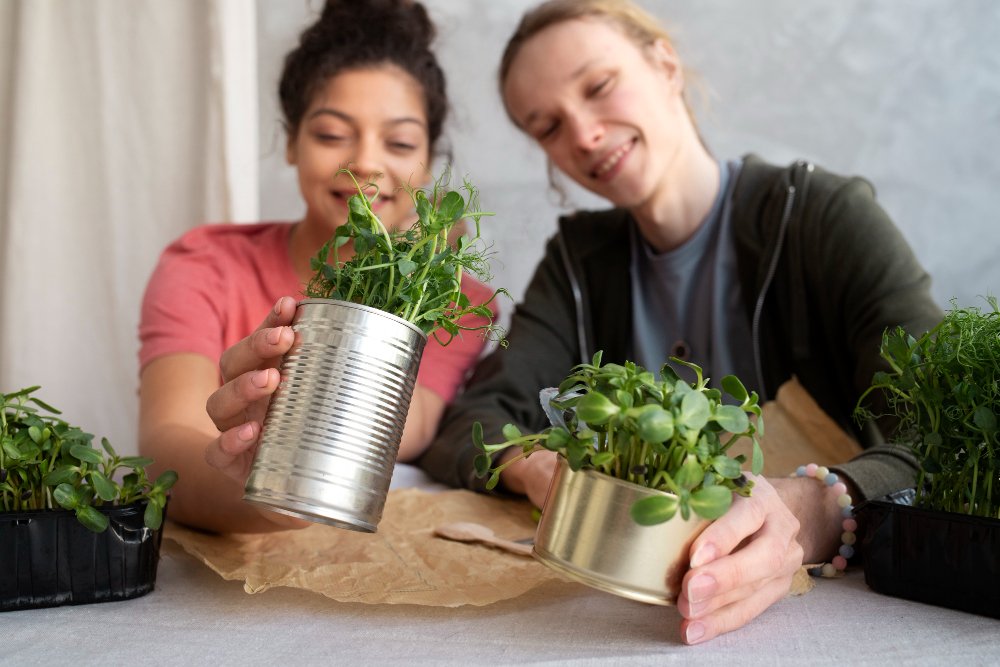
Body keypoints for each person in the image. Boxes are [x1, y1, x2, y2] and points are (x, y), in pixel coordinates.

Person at [417, 0, 942, 645]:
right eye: (548, 126)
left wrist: (813, 507)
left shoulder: (822, 219)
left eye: (599, 86)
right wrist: (534, 464)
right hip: (630, 624)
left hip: (840, 625)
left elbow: (940, 437)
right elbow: (476, 416)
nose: (581, 135)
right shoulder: (580, 262)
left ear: (664, 64)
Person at [138, 0, 496, 534]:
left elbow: (411, 423)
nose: (367, 162)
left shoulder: (456, 296)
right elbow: (166, 446)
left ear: (428, 162)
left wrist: (427, 259)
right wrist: (261, 487)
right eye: (332, 134)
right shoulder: (204, 265)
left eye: (399, 142)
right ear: (290, 143)